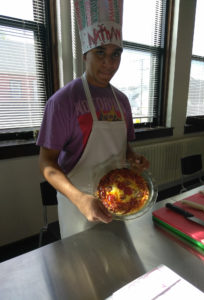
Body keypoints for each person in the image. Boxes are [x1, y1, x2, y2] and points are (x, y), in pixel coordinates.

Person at [36, 0, 149, 238]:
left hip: (119, 199)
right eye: (100, 53)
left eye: (115, 54)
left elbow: (123, 147)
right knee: (81, 271)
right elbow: (47, 163)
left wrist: (132, 157)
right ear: (86, 53)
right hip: (79, 203)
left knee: (121, 261)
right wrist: (80, 200)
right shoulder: (62, 102)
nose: (109, 63)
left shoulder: (122, 100)